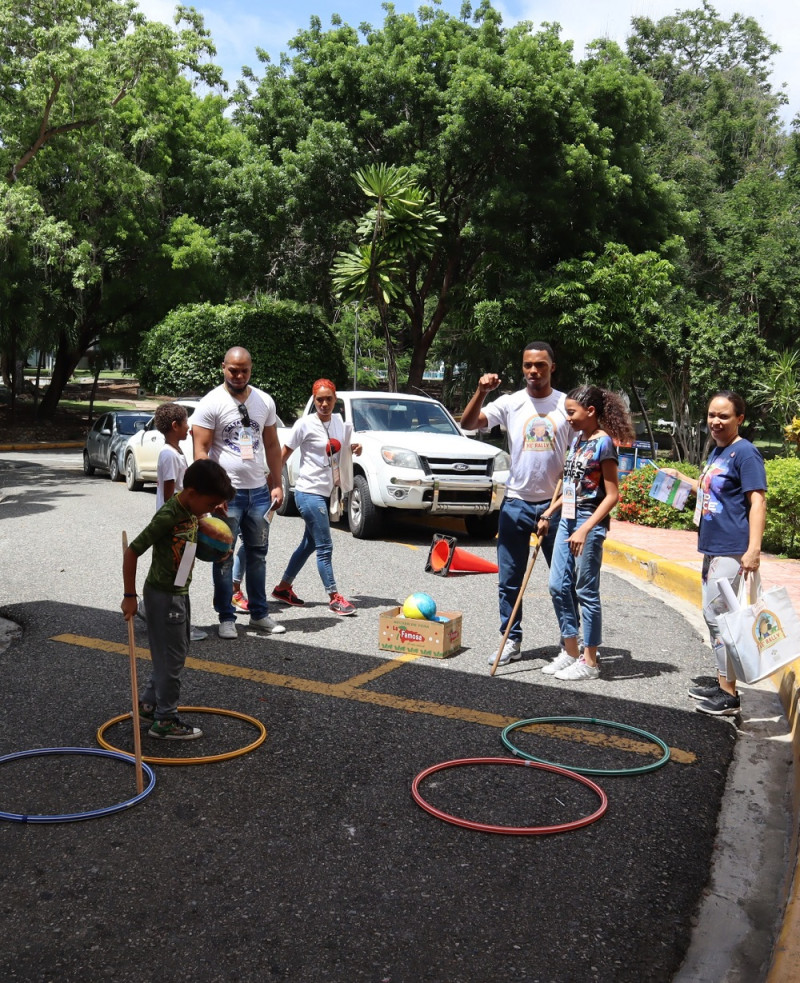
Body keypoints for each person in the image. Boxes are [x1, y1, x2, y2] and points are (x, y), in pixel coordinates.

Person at [460, 342, 571, 667]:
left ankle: (570, 646)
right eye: (527, 366)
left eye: (540, 365)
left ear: (553, 366)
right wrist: (480, 391)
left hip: (556, 506)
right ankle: (511, 640)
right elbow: (469, 423)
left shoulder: (566, 404)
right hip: (516, 505)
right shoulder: (510, 403)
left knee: (562, 582)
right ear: (522, 368)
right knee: (509, 579)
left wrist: (557, 507)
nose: (533, 371)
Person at [662, 391, 767, 715]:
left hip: (732, 550)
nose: (716, 422)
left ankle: (730, 696)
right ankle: (723, 683)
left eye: (723, 416)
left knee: (718, 618)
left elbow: (757, 501)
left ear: (740, 419)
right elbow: (713, 489)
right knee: (715, 618)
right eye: (711, 415)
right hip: (713, 547)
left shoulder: (745, 454)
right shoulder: (719, 452)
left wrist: (753, 550)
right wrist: (683, 481)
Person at [121, 459, 234, 740]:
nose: (210, 510)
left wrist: (214, 522)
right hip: (163, 596)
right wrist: (129, 597)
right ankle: (165, 720)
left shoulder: (191, 510)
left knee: (175, 652)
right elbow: (132, 551)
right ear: (193, 493)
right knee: (171, 661)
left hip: (178, 592)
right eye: (209, 504)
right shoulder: (169, 515)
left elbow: (197, 532)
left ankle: (148, 704)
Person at [539, 386, 634, 681]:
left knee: (586, 591)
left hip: (587, 523)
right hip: (567, 518)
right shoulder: (578, 440)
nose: (568, 419)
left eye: (571, 413)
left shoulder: (604, 443)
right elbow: (570, 486)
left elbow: (612, 495)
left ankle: (590, 661)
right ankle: (570, 651)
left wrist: (585, 528)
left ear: (590, 412)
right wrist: (548, 512)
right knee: (557, 585)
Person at [191, 347, 285, 639]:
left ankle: (259, 614)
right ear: (223, 368)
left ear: (251, 369)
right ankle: (226, 617)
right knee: (224, 556)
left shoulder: (263, 400)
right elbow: (201, 452)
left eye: (244, 370)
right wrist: (212, 495)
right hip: (226, 495)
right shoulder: (211, 403)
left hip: (258, 492)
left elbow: (271, 444)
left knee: (258, 555)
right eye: (233, 370)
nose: (239, 375)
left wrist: (277, 482)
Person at [272, 379, 362, 615]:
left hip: (326, 492)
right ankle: (334, 597)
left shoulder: (339, 423)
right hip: (307, 492)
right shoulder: (304, 425)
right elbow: (282, 455)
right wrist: (274, 485)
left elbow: (337, 451)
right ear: (313, 400)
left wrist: (353, 449)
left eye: (328, 399)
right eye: (319, 399)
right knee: (324, 546)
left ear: (335, 400)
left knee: (308, 544)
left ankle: (283, 588)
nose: (324, 403)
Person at [152, 402, 207, 642]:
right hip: (177, 529)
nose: (188, 427)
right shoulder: (169, 455)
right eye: (185, 423)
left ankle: (171, 620)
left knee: (181, 577)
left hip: (183, 525)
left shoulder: (175, 452)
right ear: (175, 426)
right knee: (179, 579)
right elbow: (170, 496)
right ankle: (179, 625)